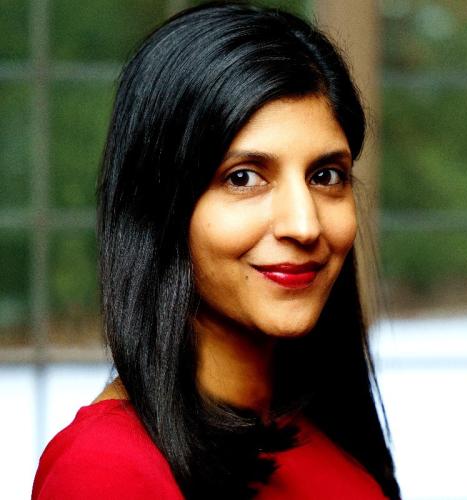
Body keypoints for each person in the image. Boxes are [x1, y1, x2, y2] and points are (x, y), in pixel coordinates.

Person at [32, 2, 401, 499]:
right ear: (159, 207)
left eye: (325, 175)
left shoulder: (329, 449)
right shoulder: (106, 471)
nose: (304, 224)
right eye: (243, 178)